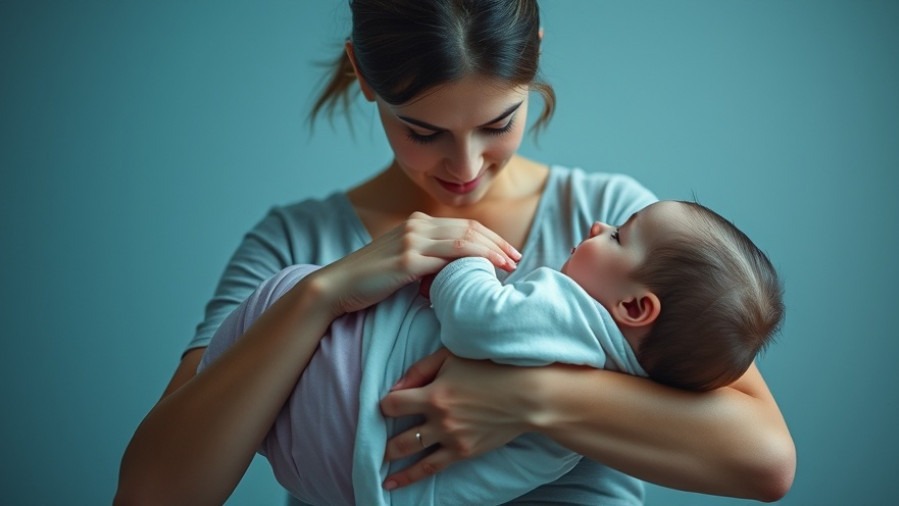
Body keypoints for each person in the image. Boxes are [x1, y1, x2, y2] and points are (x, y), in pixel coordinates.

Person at [115, 1, 796, 505]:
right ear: (362, 74)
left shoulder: (619, 219)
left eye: (499, 123)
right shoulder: (296, 239)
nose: (465, 168)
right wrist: (321, 294)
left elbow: (765, 461)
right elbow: (151, 494)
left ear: (532, 58)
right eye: (423, 132)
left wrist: (525, 397)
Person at [196, 199, 785, 505]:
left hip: (351, 429)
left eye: (618, 236)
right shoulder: (634, 389)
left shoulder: (572, 310)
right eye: (424, 130)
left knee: (279, 301)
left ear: (635, 307)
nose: (598, 225)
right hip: (347, 478)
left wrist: (466, 260)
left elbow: (477, 318)